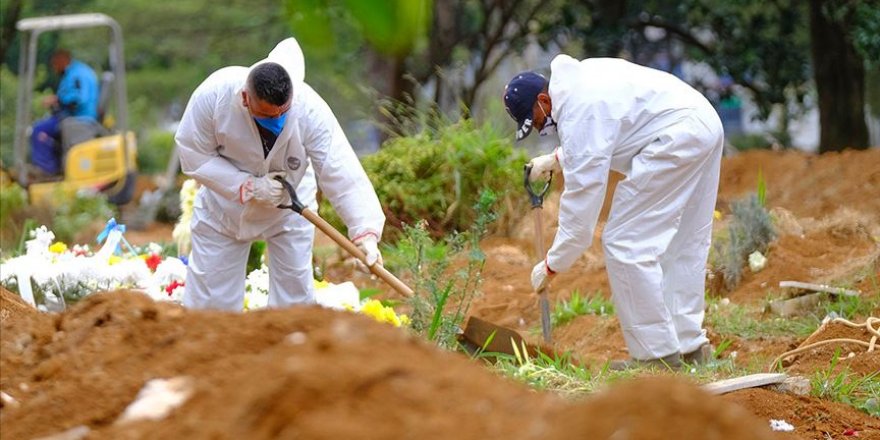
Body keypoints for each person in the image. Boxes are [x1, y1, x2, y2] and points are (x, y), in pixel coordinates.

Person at [503, 54, 724, 369]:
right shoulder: (581, 83)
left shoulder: (580, 110)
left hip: (676, 136)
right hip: (702, 121)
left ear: (543, 100)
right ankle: (691, 347)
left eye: (536, 120)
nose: (540, 129)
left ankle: (655, 357)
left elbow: (581, 210)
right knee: (686, 241)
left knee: (625, 242)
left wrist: (552, 264)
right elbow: (608, 133)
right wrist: (556, 159)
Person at [176, 38, 385, 311]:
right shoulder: (213, 96)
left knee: (293, 303)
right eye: (266, 115)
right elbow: (194, 154)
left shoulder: (309, 108)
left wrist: (365, 234)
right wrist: (249, 187)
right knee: (211, 309)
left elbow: (339, 167)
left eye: (282, 113)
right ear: (245, 98)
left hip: (291, 208)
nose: (276, 121)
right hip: (224, 208)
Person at [30, 49, 100, 176]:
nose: (54, 68)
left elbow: (79, 99)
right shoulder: (74, 72)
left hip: (80, 117)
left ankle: (46, 170)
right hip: (74, 116)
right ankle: (54, 166)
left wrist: (57, 100)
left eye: (54, 64)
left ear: (62, 60)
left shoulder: (77, 74)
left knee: (39, 130)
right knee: (44, 127)